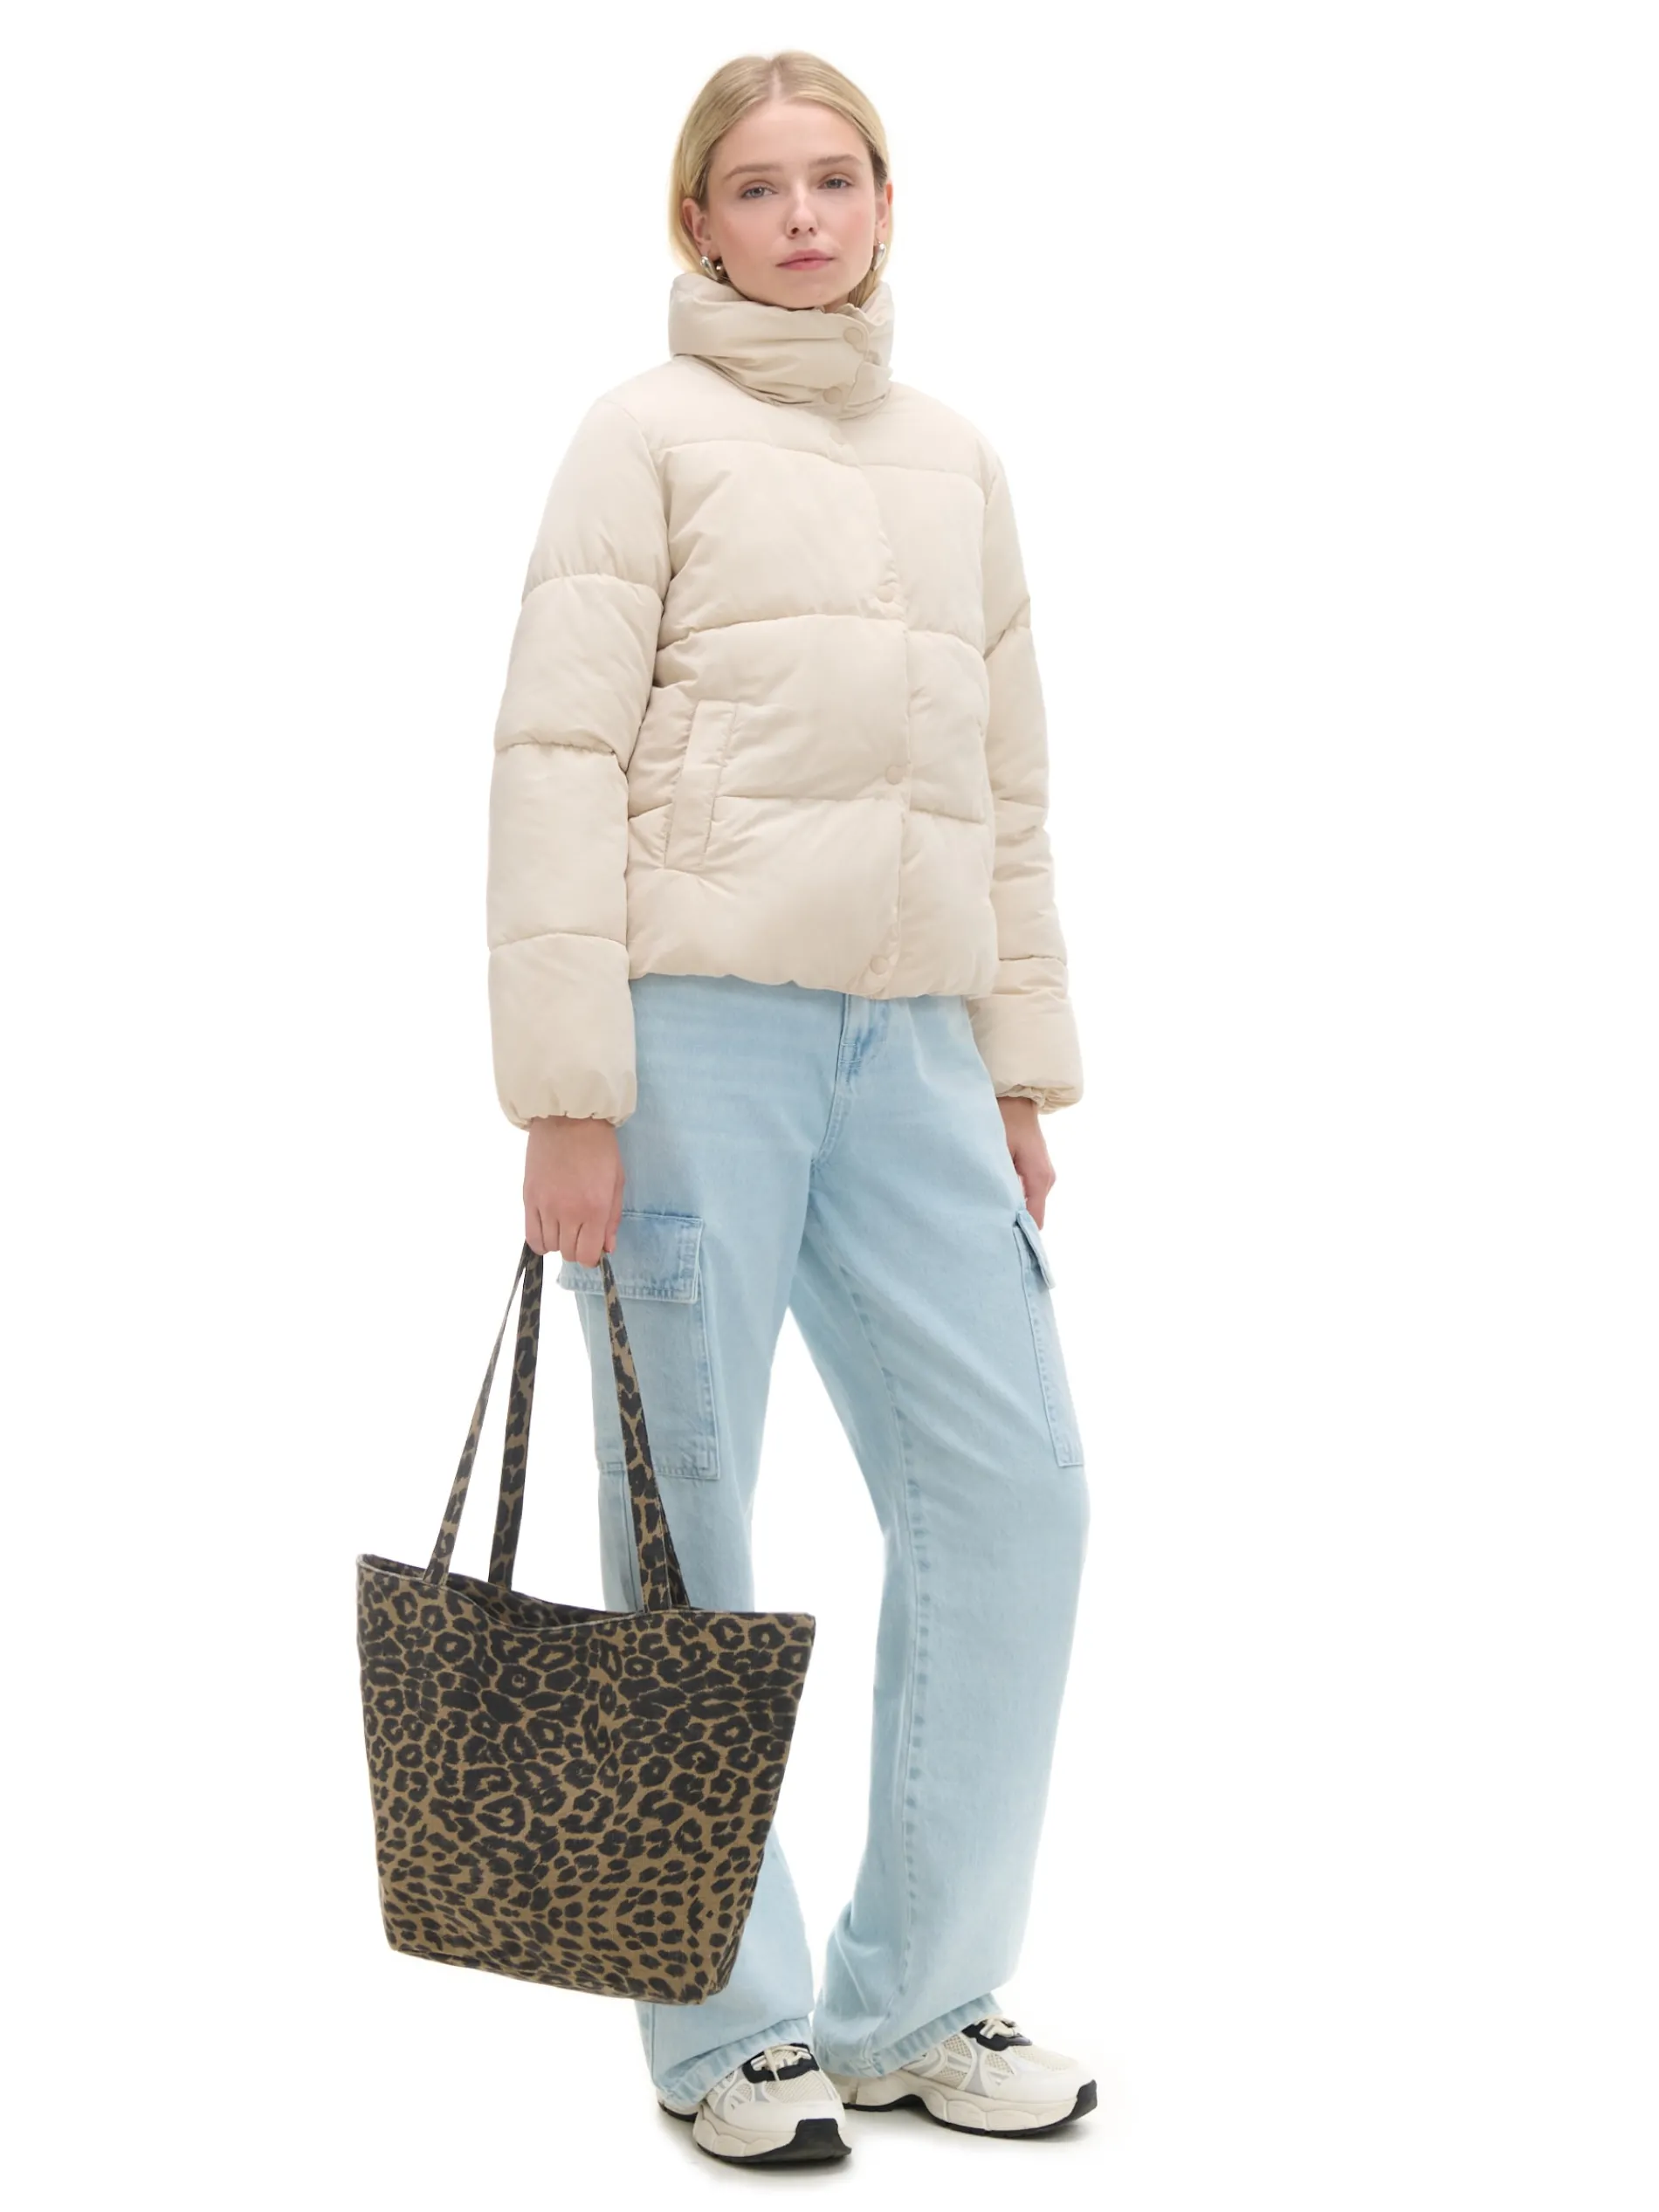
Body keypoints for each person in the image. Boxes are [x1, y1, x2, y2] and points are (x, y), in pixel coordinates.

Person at [485, 48, 1095, 2167]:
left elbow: (1004, 788)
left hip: (913, 1041)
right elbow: (554, 759)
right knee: (694, 1513)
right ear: (698, 223)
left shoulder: (954, 458)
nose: (805, 218)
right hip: (691, 1038)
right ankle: (721, 2026)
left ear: (885, 202)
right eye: (758, 188)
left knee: (1014, 1487)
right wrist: (569, 1091)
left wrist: (1013, 1062)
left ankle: (911, 1998)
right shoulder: (637, 438)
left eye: (837, 178)